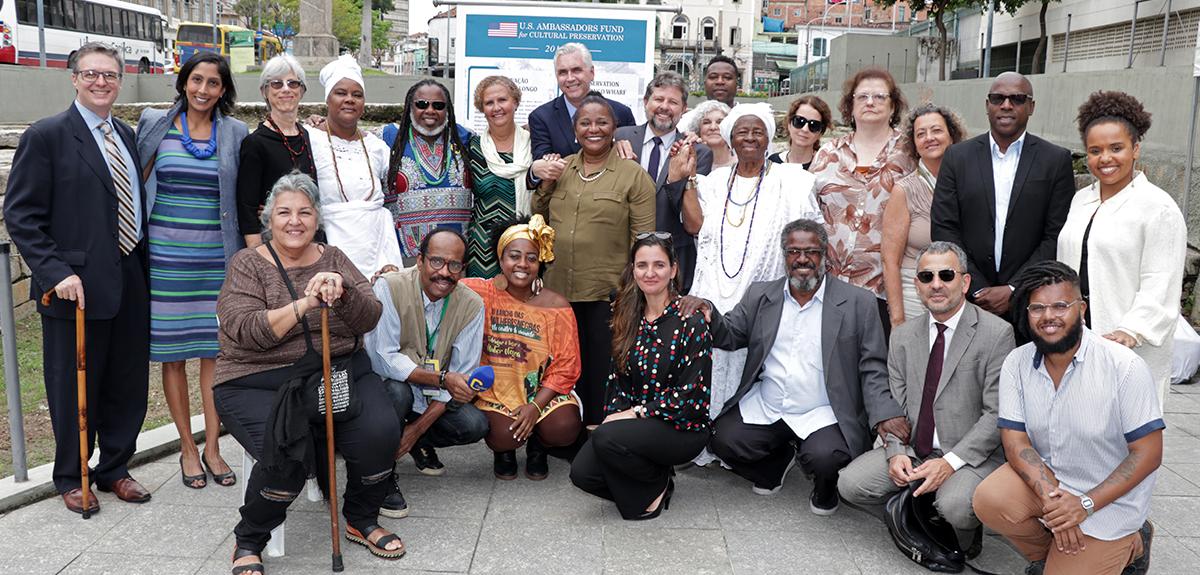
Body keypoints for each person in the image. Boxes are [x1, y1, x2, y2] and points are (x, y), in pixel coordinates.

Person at [214, 173, 403, 575]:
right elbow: (247, 330)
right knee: (287, 450)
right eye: (284, 212)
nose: (294, 221)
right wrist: (305, 304)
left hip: (337, 371)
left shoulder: (334, 258)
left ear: (317, 218)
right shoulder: (247, 264)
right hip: (258, 379)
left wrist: (345, 292)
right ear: (269, 217)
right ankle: (249, 537)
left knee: (380, 432)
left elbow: (370, 317)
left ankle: (360, 516)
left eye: (305, 212)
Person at [4, 43, 153, 514]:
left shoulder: (125, 133)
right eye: (91, 74)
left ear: (120, 79)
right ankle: (72, 475)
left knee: (127, 382)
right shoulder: (47, 136)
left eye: (110, 75)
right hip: (75, 287)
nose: (101, 82)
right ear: (73, 78)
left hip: (129, 277)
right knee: (73, 386)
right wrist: (56, 273)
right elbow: (22, 215)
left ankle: (114, 468)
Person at [681, 219, 908, 515]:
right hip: (769, 403)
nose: (802, 259)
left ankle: (826, 489)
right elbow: (732, 334)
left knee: (827, 458)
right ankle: (772, 468)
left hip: (824, 410)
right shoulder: (761, 295)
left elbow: (872, 367)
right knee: (723, 440)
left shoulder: (858, 302)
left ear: (825, 255)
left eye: (811, 252)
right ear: (784, 255)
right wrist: (708, 310)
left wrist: (885, 414)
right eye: (794, 252)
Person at [973, 261, 1159, 575]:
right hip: (1052, 484)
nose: (1048, 317)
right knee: (990, 499)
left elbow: (1148, 452)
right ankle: (1054, 556)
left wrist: (1084, 504)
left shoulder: (1123, 366)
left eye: (1061, 305)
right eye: (1037, 308)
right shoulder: (1017, 363)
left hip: (1108, 502)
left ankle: (1133, 544)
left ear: (1082, 308)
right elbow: (1015, 441)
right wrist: (1058, 502)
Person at [838, 241, 1015, 557]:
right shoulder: (904, 336)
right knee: (850, 485)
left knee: (955, 507)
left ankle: (960, 525)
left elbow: (995, 414)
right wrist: (895, 452)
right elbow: (894, 403)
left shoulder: (997, 333)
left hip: (965, 456)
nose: (936, 285)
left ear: (965, 281)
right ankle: (915, 513)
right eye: (926, 277)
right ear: (917, 285)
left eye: (946, 275)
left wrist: (948, 463)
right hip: (916, 449)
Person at [668, 103, 819, 449]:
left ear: (769, 138)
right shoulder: (716, 181)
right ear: (730, 140)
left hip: (762, 294)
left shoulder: (793, 181)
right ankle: (703, 439)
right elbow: (694, 225)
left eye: (757, 131)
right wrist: (688, 179)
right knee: (707, 364)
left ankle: (744, 445)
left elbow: (809, 238)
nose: (750, 137)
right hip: (713, 289)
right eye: (741, 132)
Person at [134, 51, 247, 490]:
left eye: (213, 83)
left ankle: (214, 446)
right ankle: (186, 447)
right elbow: (132, 178)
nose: (203, 90)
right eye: (196, 80)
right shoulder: (154, 123)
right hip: (165, 260)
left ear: (223, 90)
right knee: (173, 356)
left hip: (217, 259)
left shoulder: (235, 132)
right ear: (183, 83)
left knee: (216, 356)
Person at [532, 92, 656, 426]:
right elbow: (538, 217)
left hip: (607, 293)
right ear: (575, 130)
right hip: (559, 291)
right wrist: (545, 184)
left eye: (602, 122)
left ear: (615, 127)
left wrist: (632, 293)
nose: (594, 129)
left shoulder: (633, 176)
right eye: (585, 123)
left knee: (600, 369)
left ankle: (598, 435)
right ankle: (561, 431)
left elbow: (644, 243)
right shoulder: (563, 168)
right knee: (561, 365)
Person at [570, 233, 712, 520]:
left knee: (608, 439)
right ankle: (654, 474)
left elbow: (689, 397)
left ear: (673, 270)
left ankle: (653, 486)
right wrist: (619, 413)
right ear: (632, 270)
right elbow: (617, 380)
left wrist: (634, 414)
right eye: (642, 265)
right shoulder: (627, 314)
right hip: (639, 425)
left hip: (682, 426)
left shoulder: (691, 320)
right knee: (582, 474)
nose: (650, 273)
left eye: (659, 265)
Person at [1057, 91, 1185, 408]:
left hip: (1128, 345)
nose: (1106, 158)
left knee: (1127, 441)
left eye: (1117, 148)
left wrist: (1131, 331)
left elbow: (1161, 279)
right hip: (1078, 339)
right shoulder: (1080, 200)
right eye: (1095, 150)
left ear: (1136, 149)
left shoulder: (1158, 208)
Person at [931, 72, 1074, 327]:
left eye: (1017, 99)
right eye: (998, 98)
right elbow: (944, 227)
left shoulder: (1055, 160)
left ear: (1031, 107)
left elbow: (1056, 234)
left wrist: (1014, 288)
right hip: (968, 300)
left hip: (1031, 302)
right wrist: (974, 286)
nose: (1006, 105)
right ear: (987, 105)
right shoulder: (957, 157)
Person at [365, 228, 489, 519]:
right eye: (436, 262)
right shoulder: (389, 287)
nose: (444, 273)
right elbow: (382, 358)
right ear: (419, 260)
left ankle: (416, 441)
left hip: (433, 396)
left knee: (475, 425)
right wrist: (442, 378)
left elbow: (461, 374)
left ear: (463, 268)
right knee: (397, 390)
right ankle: (380, 474)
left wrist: (416, 431)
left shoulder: (471, 304)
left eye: (454, 265)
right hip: (388, 389)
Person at [461, 215, 583, 480]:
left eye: (531, 258)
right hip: (497, 391)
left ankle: (539, 445)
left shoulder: (556, 306)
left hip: (541, 391)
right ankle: (503, 452)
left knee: (564, 427)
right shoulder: (477, 292)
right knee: (504, 437)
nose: (522, 264)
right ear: (500, 258)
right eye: (514, 256)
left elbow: (566, 366)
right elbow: (441, 280)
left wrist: (536, 407)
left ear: (540, 263)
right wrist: (395, 272)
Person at [809, 67, 916, 337]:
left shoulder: (909, 154)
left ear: (893, 107)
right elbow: (808, 210)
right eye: (863, 96)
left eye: (880, 97)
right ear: (850, 106)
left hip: (885, 288)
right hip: (829, 285)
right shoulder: (828, 153)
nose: (871, 102)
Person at [614, 71, 713, 294]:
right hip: (622, 258)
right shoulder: (621, 138)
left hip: (673, 260)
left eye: (673, 102)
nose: (664, 106)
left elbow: (690, 210)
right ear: (646, 102)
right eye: (659, 99)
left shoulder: (698, 152)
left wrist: (677, 177)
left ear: (684, 108)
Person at [306, 55, 402, 280]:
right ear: (327, 99)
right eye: (341, 93)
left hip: (379, 250)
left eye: (357, 95)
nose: (349, 99)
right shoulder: (309, 139)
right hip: (327, 246)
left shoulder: (376, 146)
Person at [881, 104, 967, 326]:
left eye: (937, 130)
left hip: (963, 292)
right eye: (921, 134)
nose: (929, 138)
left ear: (952, 135)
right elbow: (890, 260)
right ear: (914, 144)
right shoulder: (904, 190)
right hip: (916, 294)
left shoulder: (971, 183)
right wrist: (897, 318)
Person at [382, 80, 473, 262]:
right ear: (410, 107)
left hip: (456, 260)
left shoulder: (465, 138)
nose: (430, 110)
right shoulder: (387, 138)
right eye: (422, 104)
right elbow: (349, 139)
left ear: (447, 110)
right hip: (404, 259)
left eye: (438, 105)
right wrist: (322, 125)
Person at [236, 54, 318, 248]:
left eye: (293, 83)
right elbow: (247, 208)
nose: (286, 89)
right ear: (264, 91)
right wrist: (257, 256)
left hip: (308, 238)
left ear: (302, 90)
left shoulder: (307, 135)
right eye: (276, 84)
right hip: (272, 244)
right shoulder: (255, 143)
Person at [465, 76, 533, 278]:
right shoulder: (473, 148)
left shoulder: (535, 144)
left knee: (521, 306)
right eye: (489, 103)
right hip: (482, 248)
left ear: (515, 102)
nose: (496, 107)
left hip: (526, 245)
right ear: (481, 108)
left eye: (502, 100)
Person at [528, 43, 636, 160]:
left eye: (576, 70)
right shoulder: (541, 117)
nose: (570, 78)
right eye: (563, 72)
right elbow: (541, 166)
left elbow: (631, 159)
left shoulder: (621, 113)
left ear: (592, 73)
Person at [678, 55, 740, 133]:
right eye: (713, 77)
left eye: (727, 77)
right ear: (705, 83)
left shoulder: (749, 118)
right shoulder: (686, 121)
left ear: (737, 84)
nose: (720, 82)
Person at [768, 95, 832, 169]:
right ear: (789, 124)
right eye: (799, 121)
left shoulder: (826, 169)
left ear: (821, 132)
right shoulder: (772, 162)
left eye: (813, 125)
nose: (805, 129)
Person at [687, 100, 734, 170]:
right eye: (706, 122)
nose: (713, 127)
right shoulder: (688, 162)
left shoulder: (741, 162)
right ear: (698, 130)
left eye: (719, 122)